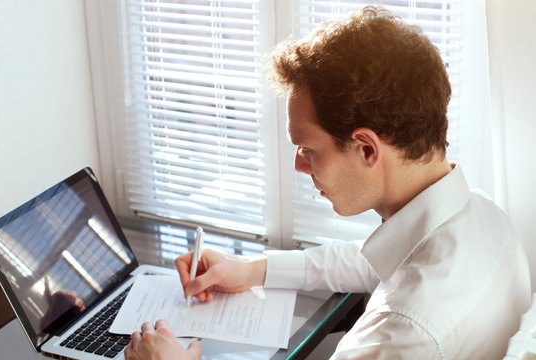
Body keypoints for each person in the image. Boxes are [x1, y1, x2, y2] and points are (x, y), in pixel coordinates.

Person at [124, 6, 531, 360]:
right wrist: (252, 269)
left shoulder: (403, 332)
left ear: (367, 149)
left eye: (308, 149)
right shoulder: (484, 218)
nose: (301, 166)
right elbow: (371, 260)